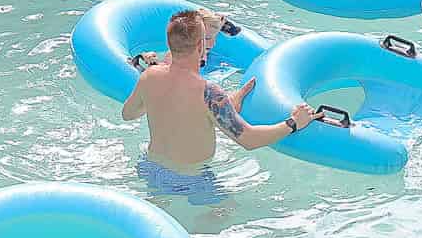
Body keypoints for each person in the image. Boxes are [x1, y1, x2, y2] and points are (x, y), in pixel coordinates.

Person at [121, 11, 315, 196]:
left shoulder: (150, 76)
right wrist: (293, 122)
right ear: (200, 47)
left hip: (150, 168)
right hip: (191, 178)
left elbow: (128, 114)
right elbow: (248, 139)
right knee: (224, 217)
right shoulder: (209, 93)